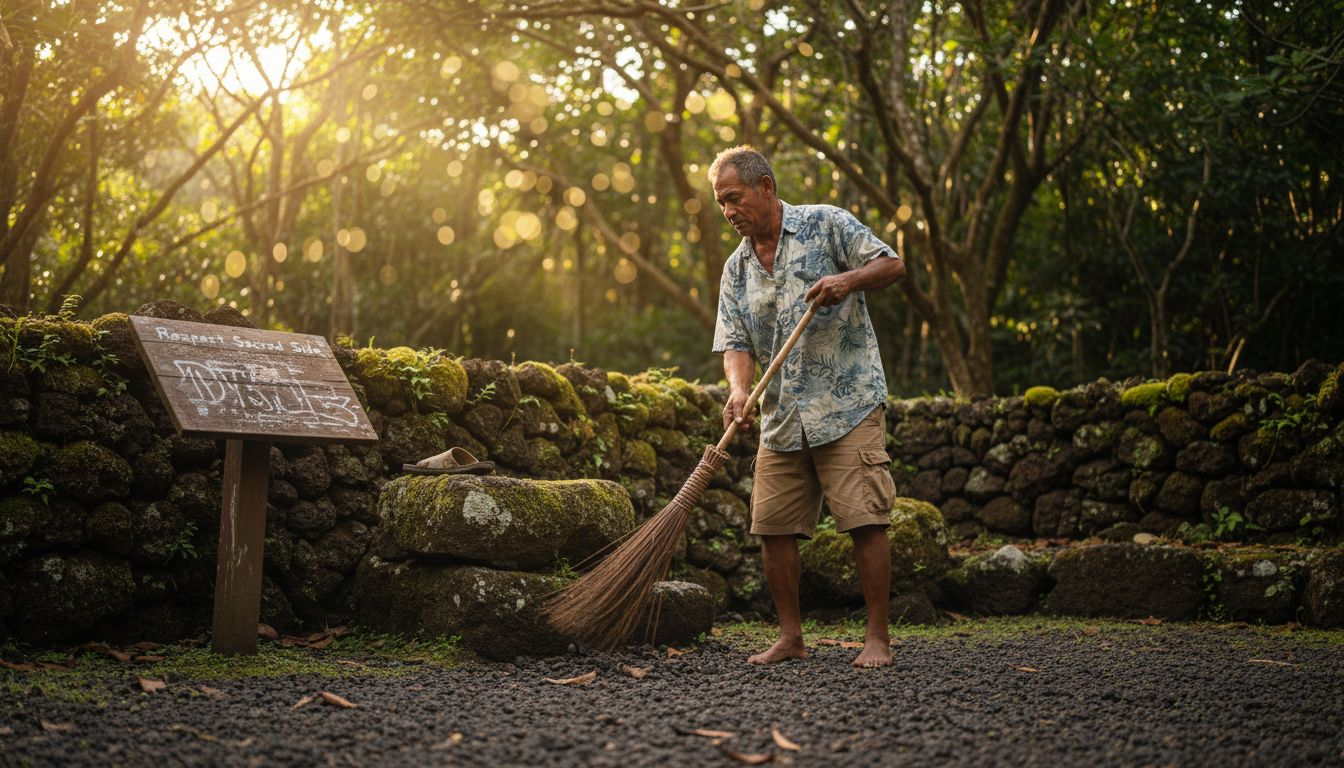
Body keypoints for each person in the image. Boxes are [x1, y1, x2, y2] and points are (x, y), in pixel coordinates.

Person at [709, 146, 906, 668]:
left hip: (847, 403)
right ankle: (791, 638)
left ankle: (877, 639)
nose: (728, 211)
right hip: (781, 415)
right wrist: (738, 390)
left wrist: (847, 280)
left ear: (766, 187)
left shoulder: (826, 224)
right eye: (720, 204)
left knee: (865, 519)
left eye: (733, 198)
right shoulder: (736, 268)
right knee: (772, 526)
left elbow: (892, 264)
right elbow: (736, 342)